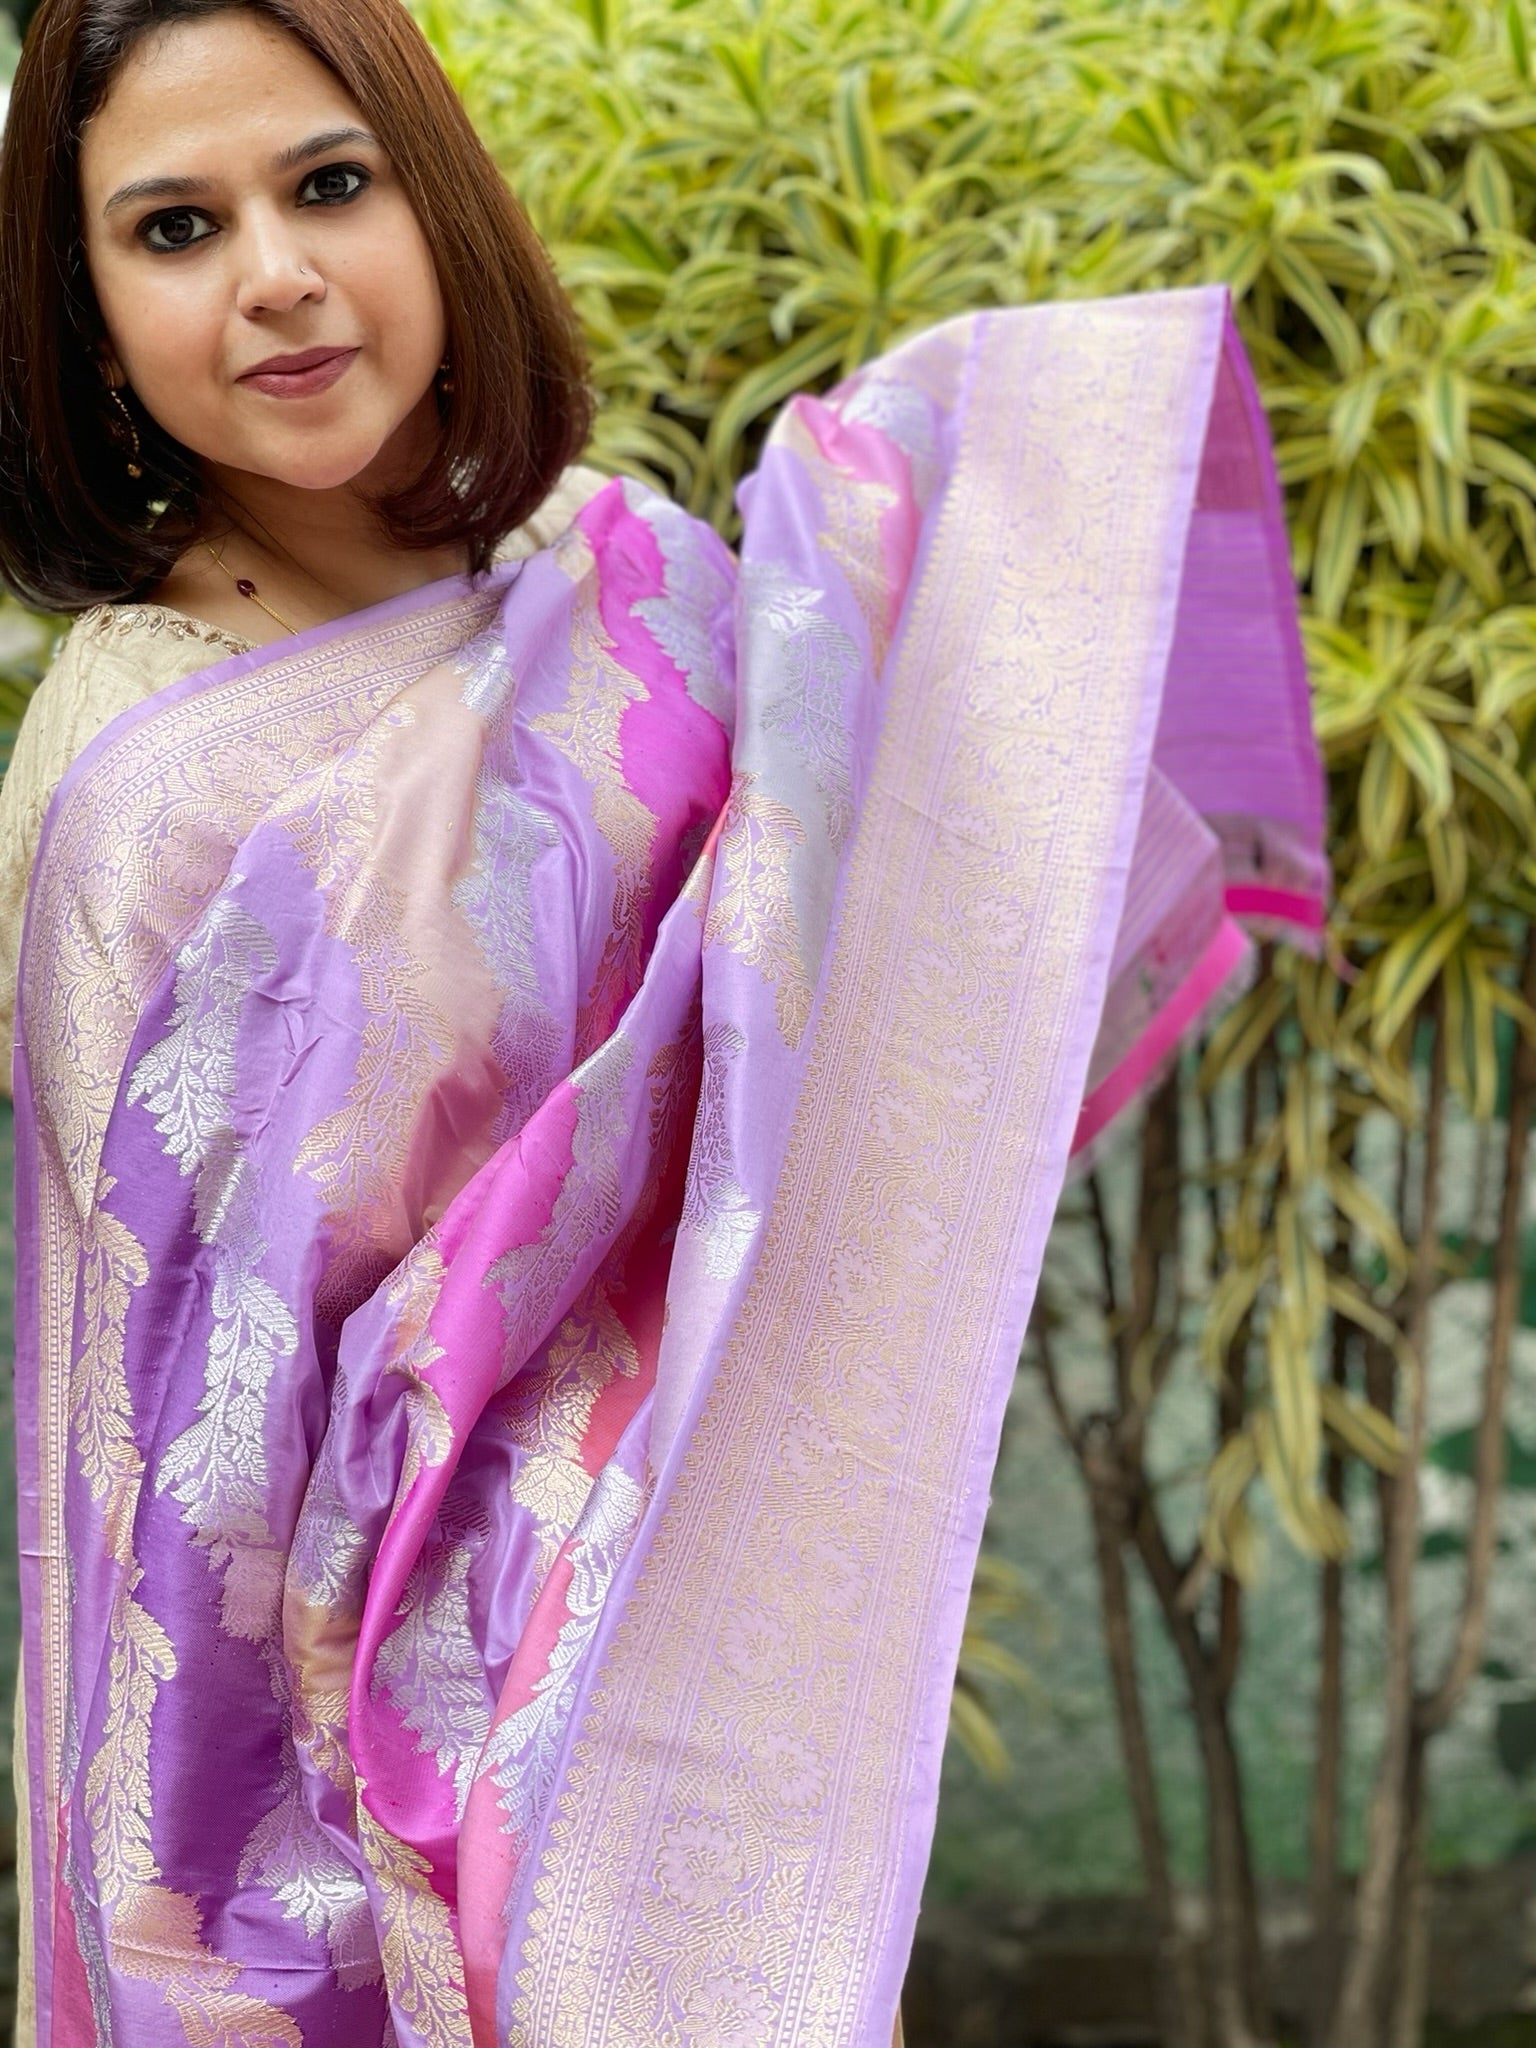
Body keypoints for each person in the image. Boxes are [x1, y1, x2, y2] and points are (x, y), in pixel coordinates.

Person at [0, 0, 1327, 2040]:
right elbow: (168, 1435)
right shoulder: (140, 784)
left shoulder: (626, 585)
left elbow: (851, 1030)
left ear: (434, 208)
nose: (273, 276)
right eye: (174, 229)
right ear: (88, 313)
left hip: (689, 1677)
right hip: (346, 1788)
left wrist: (958, 530)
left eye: (329, 186)